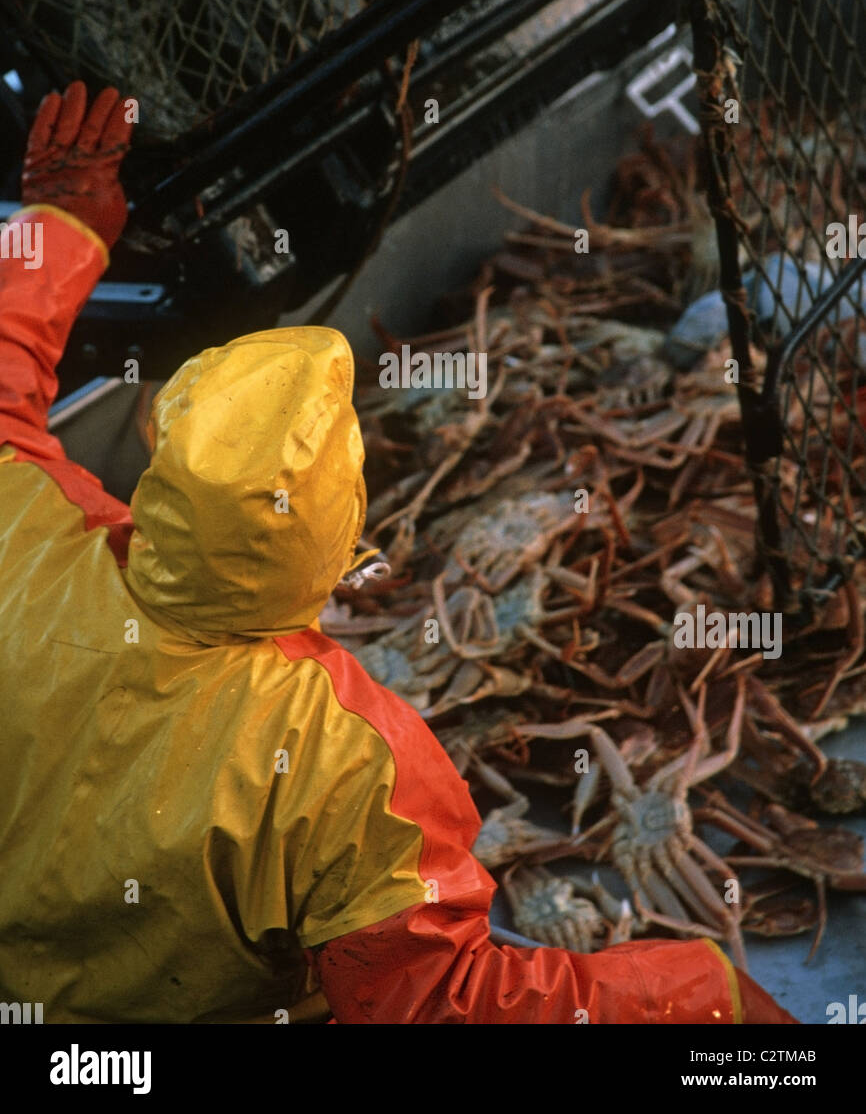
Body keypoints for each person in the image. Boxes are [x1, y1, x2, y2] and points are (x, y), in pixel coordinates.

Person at [0, 82, 796, 1025]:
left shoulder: (26, 526)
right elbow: (433, 1007)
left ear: (165, 461)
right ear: (341, 535)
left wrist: (59, 219)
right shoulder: (346, 763)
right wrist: (701, 999)